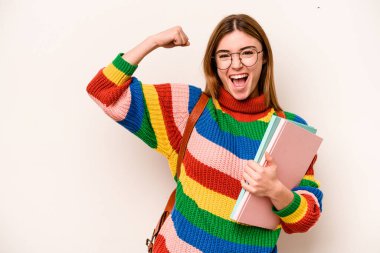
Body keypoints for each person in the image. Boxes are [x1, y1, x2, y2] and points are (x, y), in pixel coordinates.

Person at [86, 14, 323, 253]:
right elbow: (104, 91)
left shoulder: (290, 130)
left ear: (263, 59)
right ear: (214, 64)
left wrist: (275, 191)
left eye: (247, 53)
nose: (236, 64)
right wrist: (153, 41)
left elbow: (306, 219)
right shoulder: (189, 109)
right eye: (224, 56)